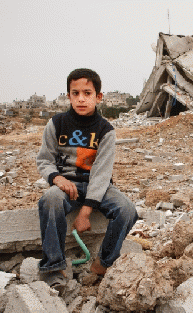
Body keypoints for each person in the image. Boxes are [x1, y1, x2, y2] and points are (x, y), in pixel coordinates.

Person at [36, 68, 138, 278]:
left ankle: (104, 263)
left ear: (98, 97)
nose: (81, 99)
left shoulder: (105, 130)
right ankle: (54, 266)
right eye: (76, 93)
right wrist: (57, 178)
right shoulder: (56, 124)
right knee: (49, 200)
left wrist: (85, 212)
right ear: (68, 96)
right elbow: (44, 160)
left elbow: (101, 174)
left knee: (127, 209)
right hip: (66, 186)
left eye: (87, 93)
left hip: (97, 187)